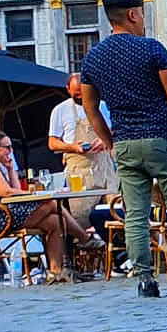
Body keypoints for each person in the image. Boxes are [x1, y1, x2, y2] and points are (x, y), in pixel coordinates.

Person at [81, 0, 167, 300]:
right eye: (141, 14)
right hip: (163, 138)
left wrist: (109, 141)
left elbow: (90, 108)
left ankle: (145, 280)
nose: (142, 19)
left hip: (126, 143)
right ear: (132, 15)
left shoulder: (92, 59)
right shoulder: (151, 49)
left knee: (136, 213)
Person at [0, 131, 101, 282]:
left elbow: (13, 189)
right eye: (7, 147)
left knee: (56, 221)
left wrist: (10, 170)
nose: (11, 151)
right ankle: (84, 238)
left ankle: (55, 271)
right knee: (50, 203)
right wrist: (32, 195)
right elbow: (6, 192)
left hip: (7, 213)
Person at [48, 71, 117, 223]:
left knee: (117, 210)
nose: (80, 97)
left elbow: (115, 130)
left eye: (83, 93)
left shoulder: (103, 106)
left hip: (105, 166)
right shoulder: (60, 110)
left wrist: (105, 139)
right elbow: (52, 143)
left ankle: (117, 244)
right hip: (79, 170)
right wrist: (72, 147)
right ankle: (86, 244)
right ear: (68, 89)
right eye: (76, 93)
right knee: (82, 216)